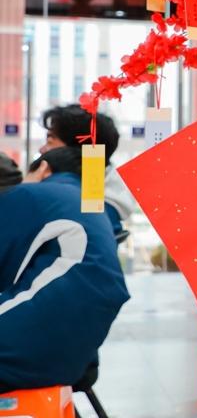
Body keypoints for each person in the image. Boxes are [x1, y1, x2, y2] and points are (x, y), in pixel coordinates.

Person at [0, 147, 130, 393]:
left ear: (43, 168)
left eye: (50, 139)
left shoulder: (31, 194)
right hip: (78, 353)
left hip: (32, 344)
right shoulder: (90, 201)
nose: (43, 146)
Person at [40, 104, 137, 234]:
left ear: (75, 151)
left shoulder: (87, 212)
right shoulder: (102, 202)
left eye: (50, 142)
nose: (42, 150)